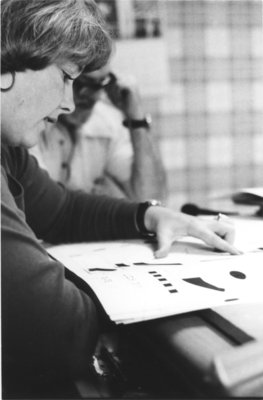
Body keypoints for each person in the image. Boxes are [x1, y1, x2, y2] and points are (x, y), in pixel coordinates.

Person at [1, 0, 240, 398]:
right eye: (64, 77)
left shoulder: (8, 150)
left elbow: (62, 210)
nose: (69, 103)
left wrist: (149, 215)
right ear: (8, 58)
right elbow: (58, 331)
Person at [30, 60, 167, 201]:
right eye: (79, 82)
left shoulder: (108, 123)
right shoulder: (29, 125)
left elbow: (151, 198)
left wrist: (137, 120)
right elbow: (39, 205)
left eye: (98, 84)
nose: (87, 94)